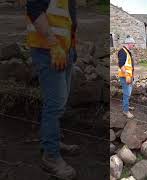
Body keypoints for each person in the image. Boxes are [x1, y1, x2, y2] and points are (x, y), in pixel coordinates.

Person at [26, 0, 78, 179]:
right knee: (54, 105)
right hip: (48, 50)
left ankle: (52, 142)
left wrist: (72, 48)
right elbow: (33, 8)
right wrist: (53, 45)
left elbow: (68, 20)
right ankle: (50, 156)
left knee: (60, 103)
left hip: (64, 50)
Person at [118, 36, 135, 118]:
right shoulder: (122, 52)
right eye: (133, 44)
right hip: (125, 77)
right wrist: (127, 75)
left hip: (128, 76)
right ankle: (125, 111)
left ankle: (127, 106)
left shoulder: (127, 52)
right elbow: (121, 65)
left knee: (128, 93)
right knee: (126, 94)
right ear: (129, 43)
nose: (133, 46)